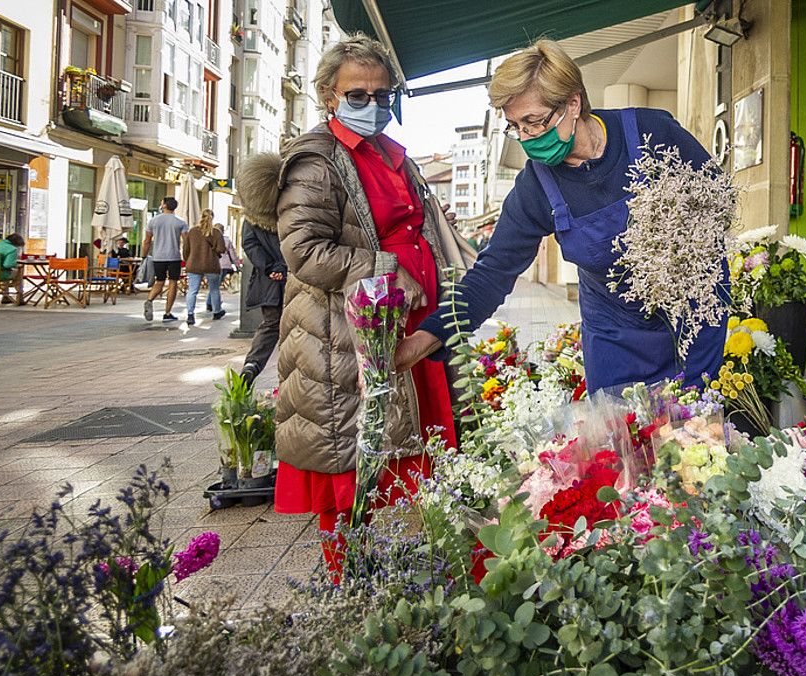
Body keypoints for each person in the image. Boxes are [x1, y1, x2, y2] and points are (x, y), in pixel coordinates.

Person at [393, 38, 728, 393]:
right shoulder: (535, 186)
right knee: (623, 437)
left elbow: (716, 199)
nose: (525, 137)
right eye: (515, 125)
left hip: (693, 315)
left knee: (697, 427)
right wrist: (425, 337)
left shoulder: (651, 134)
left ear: (573, 103)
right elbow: (491, 274)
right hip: (614, 335)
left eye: (534, 122)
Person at [274, 33, 470, 579]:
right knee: (352, 463)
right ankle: (347, 582)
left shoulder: (392, 155)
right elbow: (304, 251)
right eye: (357, 95)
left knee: (413, 449)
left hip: (410, 326)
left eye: (382, 95)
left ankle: (407, 572)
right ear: (328, 95)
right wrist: (388, 268)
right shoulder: (315, 163)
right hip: (345, 335)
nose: (372, 106)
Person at [237, 152, 287, 382]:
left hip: (268, 281)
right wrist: (282, 266)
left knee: (270, 325)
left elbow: (249, 244)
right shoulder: (290, 212)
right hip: (295, 277)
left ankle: (252, 364)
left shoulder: (251, 219)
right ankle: (288, 373)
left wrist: (268, 268)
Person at [141, 196, 189, 322]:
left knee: (159, 281)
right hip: (174, 257)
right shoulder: (181, 222)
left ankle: (149, 300)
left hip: (158, 256)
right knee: (173, 283)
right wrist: (187, 257)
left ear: (164, 205)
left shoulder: (153, 221)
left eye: (161, 203)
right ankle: (167, 313)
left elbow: (147, 241)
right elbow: (186, 242)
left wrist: (144, 256)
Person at [180, 208, 225, 326]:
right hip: (211, 264)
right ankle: (216, 312)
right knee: (214, 289)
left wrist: (187, 259)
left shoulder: (193, 231)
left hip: (194, 264)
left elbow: (186, 249)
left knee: (193, 290)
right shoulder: (217, 232)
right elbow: (221, 249)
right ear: (212, 218)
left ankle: (190, 315)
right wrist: (214, 250)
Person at [0, 233, 24, 307]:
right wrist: (16, 264)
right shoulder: (11, 249)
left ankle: (6, 296)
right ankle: (19, 297)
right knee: (18, 272)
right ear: (16, 244)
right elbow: (7, 265)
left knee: (6, 272)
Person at [215, 223, 241, 303]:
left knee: (214, 286)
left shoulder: (211, 238)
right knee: (216, 286)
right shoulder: (226, 240)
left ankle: (211, 303)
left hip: (213, 264)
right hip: (224, 265)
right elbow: (232, 254)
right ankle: (213, 303)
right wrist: (237, 265)